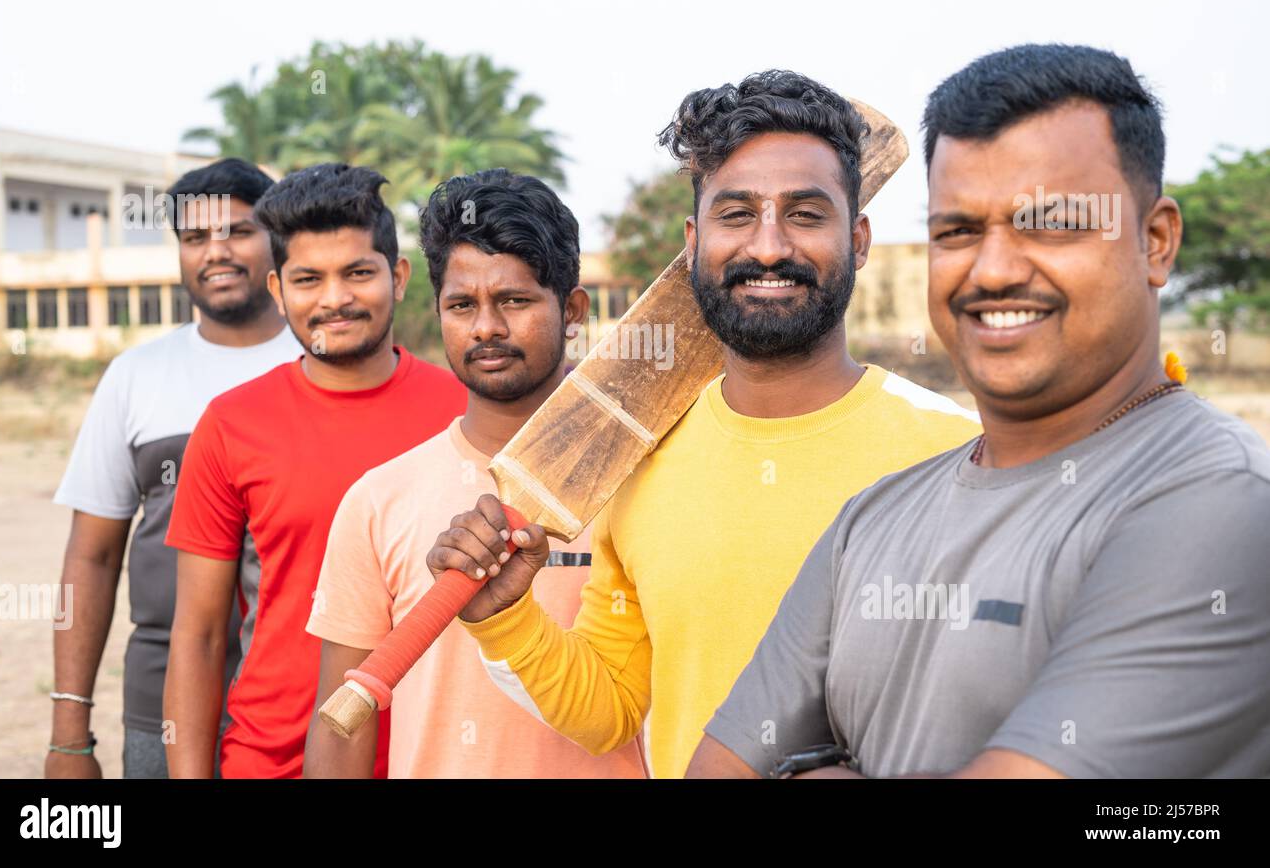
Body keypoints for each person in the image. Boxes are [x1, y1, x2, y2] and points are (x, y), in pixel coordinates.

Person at [688, 44, 1270, 779]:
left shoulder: (1221, 503)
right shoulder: (871, 521)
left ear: (1156, 242)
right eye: (958, 231)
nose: (993, 270)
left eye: (1051, 223)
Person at [426, 71, 981, 778]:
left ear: (861, 237)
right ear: (693, 242)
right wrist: (506, 617)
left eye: (806, 214)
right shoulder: (639, 466)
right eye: (737, 214)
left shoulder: (957, 453)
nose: (770, 246)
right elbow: (610, 711)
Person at [304, 170, 646, 778]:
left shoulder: (646, 483)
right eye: (462, 305)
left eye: (514, 301)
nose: (486, 327)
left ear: (572, 310)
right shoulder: (380, 499)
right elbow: (341, 724)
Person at [163, 164, 465, 778]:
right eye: (308, 279)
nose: (334, 299)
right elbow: (197, 635)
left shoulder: (466, 412)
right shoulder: (229, 425)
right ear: (277, 290)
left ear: (399, 276)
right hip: (272, 761)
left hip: (430, 758)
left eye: (357, 272)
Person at [48, 159, 299, 779]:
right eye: (195, 238)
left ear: (275, 241)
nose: (217, 252)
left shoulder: (324, 360)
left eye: (238, 231)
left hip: (302, 700)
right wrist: (68, 735)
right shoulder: (136, 376)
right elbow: (93, 556)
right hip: (160, 701)